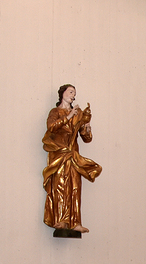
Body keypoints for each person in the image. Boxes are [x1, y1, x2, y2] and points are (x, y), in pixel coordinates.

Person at [42, 84, 102, 233]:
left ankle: (75, 222)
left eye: (74, 93)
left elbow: (86, 138)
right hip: (59, 154)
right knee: (60, 186)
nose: (73, 95)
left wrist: (87, 127)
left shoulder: (78, 114)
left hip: (73, 155)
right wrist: (68, 117)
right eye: (70, 92)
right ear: (62, 94)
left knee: (75, 186)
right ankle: (61, 220)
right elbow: (51, 127)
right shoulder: (55, 112)